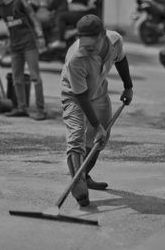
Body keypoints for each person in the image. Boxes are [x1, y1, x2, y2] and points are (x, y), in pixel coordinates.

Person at [61, 14, 133, 206]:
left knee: (101, 138)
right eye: (84, 41)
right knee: (77, 136)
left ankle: (84, 174)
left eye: (92, 42)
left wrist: (128, 87)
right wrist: (95, 125)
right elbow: (81, 96)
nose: (87, 46)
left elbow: (121, 60)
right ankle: (79, 188)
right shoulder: (75, 57)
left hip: (99, 92)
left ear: (103, 34)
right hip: (74, 96)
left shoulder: (115, 40)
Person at [0, 0, 46, 120]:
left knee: (35, 76)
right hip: (15, 47)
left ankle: (40, 109)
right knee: (16, 78)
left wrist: (40, 35)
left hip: (29, 44)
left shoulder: (19, 1)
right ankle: (21, 108)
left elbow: (33, 18)